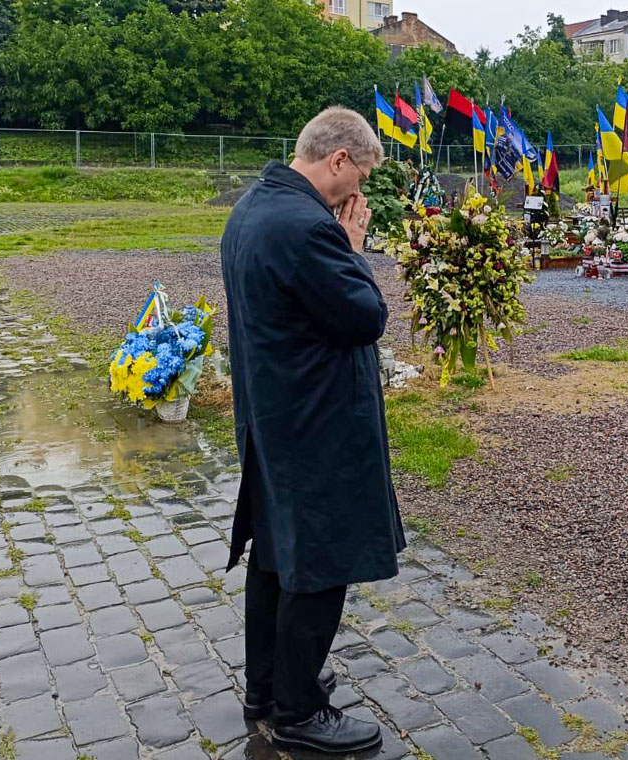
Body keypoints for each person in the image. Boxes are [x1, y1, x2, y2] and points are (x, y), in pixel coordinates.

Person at [220, 107, 405, 754]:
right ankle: (298, 713)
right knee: (319, 563)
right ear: (339, 160)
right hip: (316, 424)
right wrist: (353, 252)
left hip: (273, 417)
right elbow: (365, 317)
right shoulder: (307, 227)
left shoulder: (253, 208)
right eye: (361, 178)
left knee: (275, 555)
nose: (359, 193)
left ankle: (268, 688)